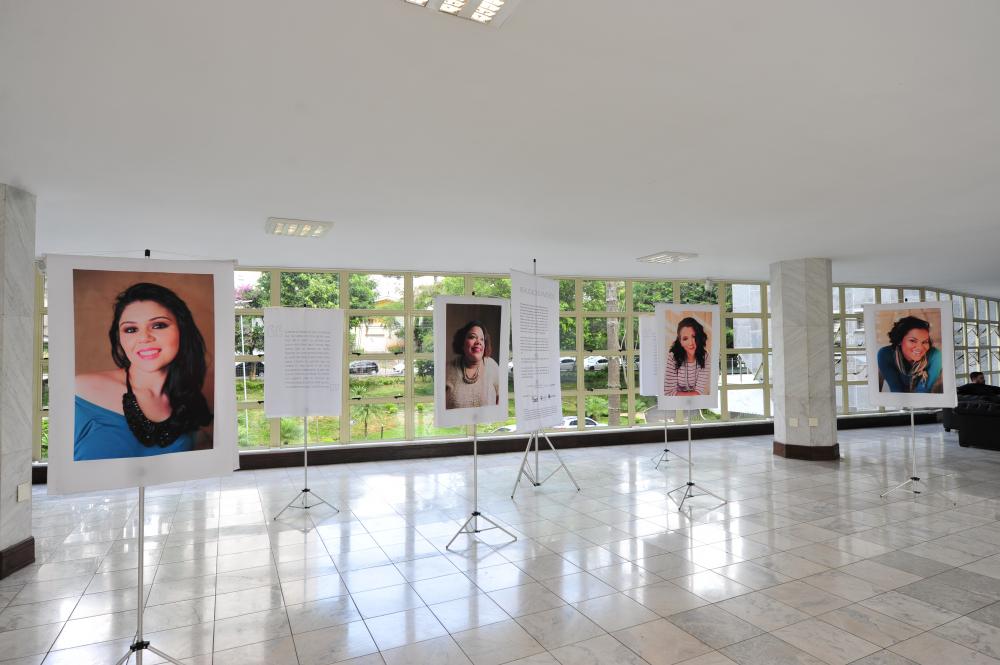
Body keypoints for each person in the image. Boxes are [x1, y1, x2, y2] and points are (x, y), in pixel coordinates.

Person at [74, 282, 213, 460]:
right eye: (131, 329)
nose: (144, 338)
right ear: (120, 338)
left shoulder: (190, 400)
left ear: (182, 330)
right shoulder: (79, 390)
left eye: (159, 325)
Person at [876, 315, 943, 393]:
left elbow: (923, 391)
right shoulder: (885, 355)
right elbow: (896, 389)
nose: (920, 347)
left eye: (924, 342)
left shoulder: (935, 356)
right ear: (900, 340)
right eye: (912, 340)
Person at [445, 320, 500, 408]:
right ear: (462, 343)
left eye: (482, 339)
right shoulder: (447, 369)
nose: (478, 342)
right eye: (472, 337)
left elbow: (500, 401)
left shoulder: (492, 366)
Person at [664, 316, 710, 396]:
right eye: (685, 339)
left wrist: (680, 394)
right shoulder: (672, 357)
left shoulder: (705, 357)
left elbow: (699, 391)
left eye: (694, 337)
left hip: (696, 401)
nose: (691, 343)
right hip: (675, 402)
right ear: (680, 342)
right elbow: (668, 392)